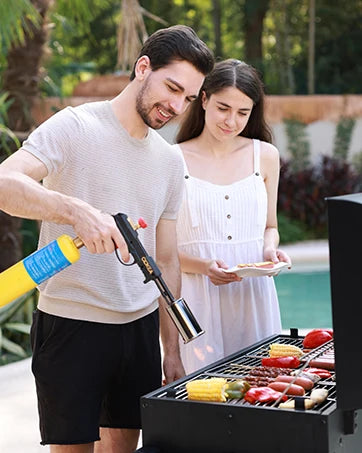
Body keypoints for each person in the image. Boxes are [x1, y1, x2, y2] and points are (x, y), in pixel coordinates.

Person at [0, 25, 214, 453]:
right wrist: (76, 212)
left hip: (137, 331)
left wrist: (169, 350)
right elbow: (5, 183)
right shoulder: (75, 126)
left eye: (188, 98)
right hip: (71, 325)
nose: (175, 106)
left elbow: (166, 259)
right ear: (142, 67)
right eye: (172, 88)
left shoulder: (169, 160)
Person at [173, 59, 291, 374]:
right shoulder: (172, 161)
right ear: (204, 99)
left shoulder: (265, 156)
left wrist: (269, 251)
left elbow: (270, 227)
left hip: (254, 297)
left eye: (243, 112)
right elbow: (161, 251)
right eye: (223, 108)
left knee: (263, 392)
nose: (231, 121)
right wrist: (203, 267)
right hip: (198, 300)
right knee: (202, 399)